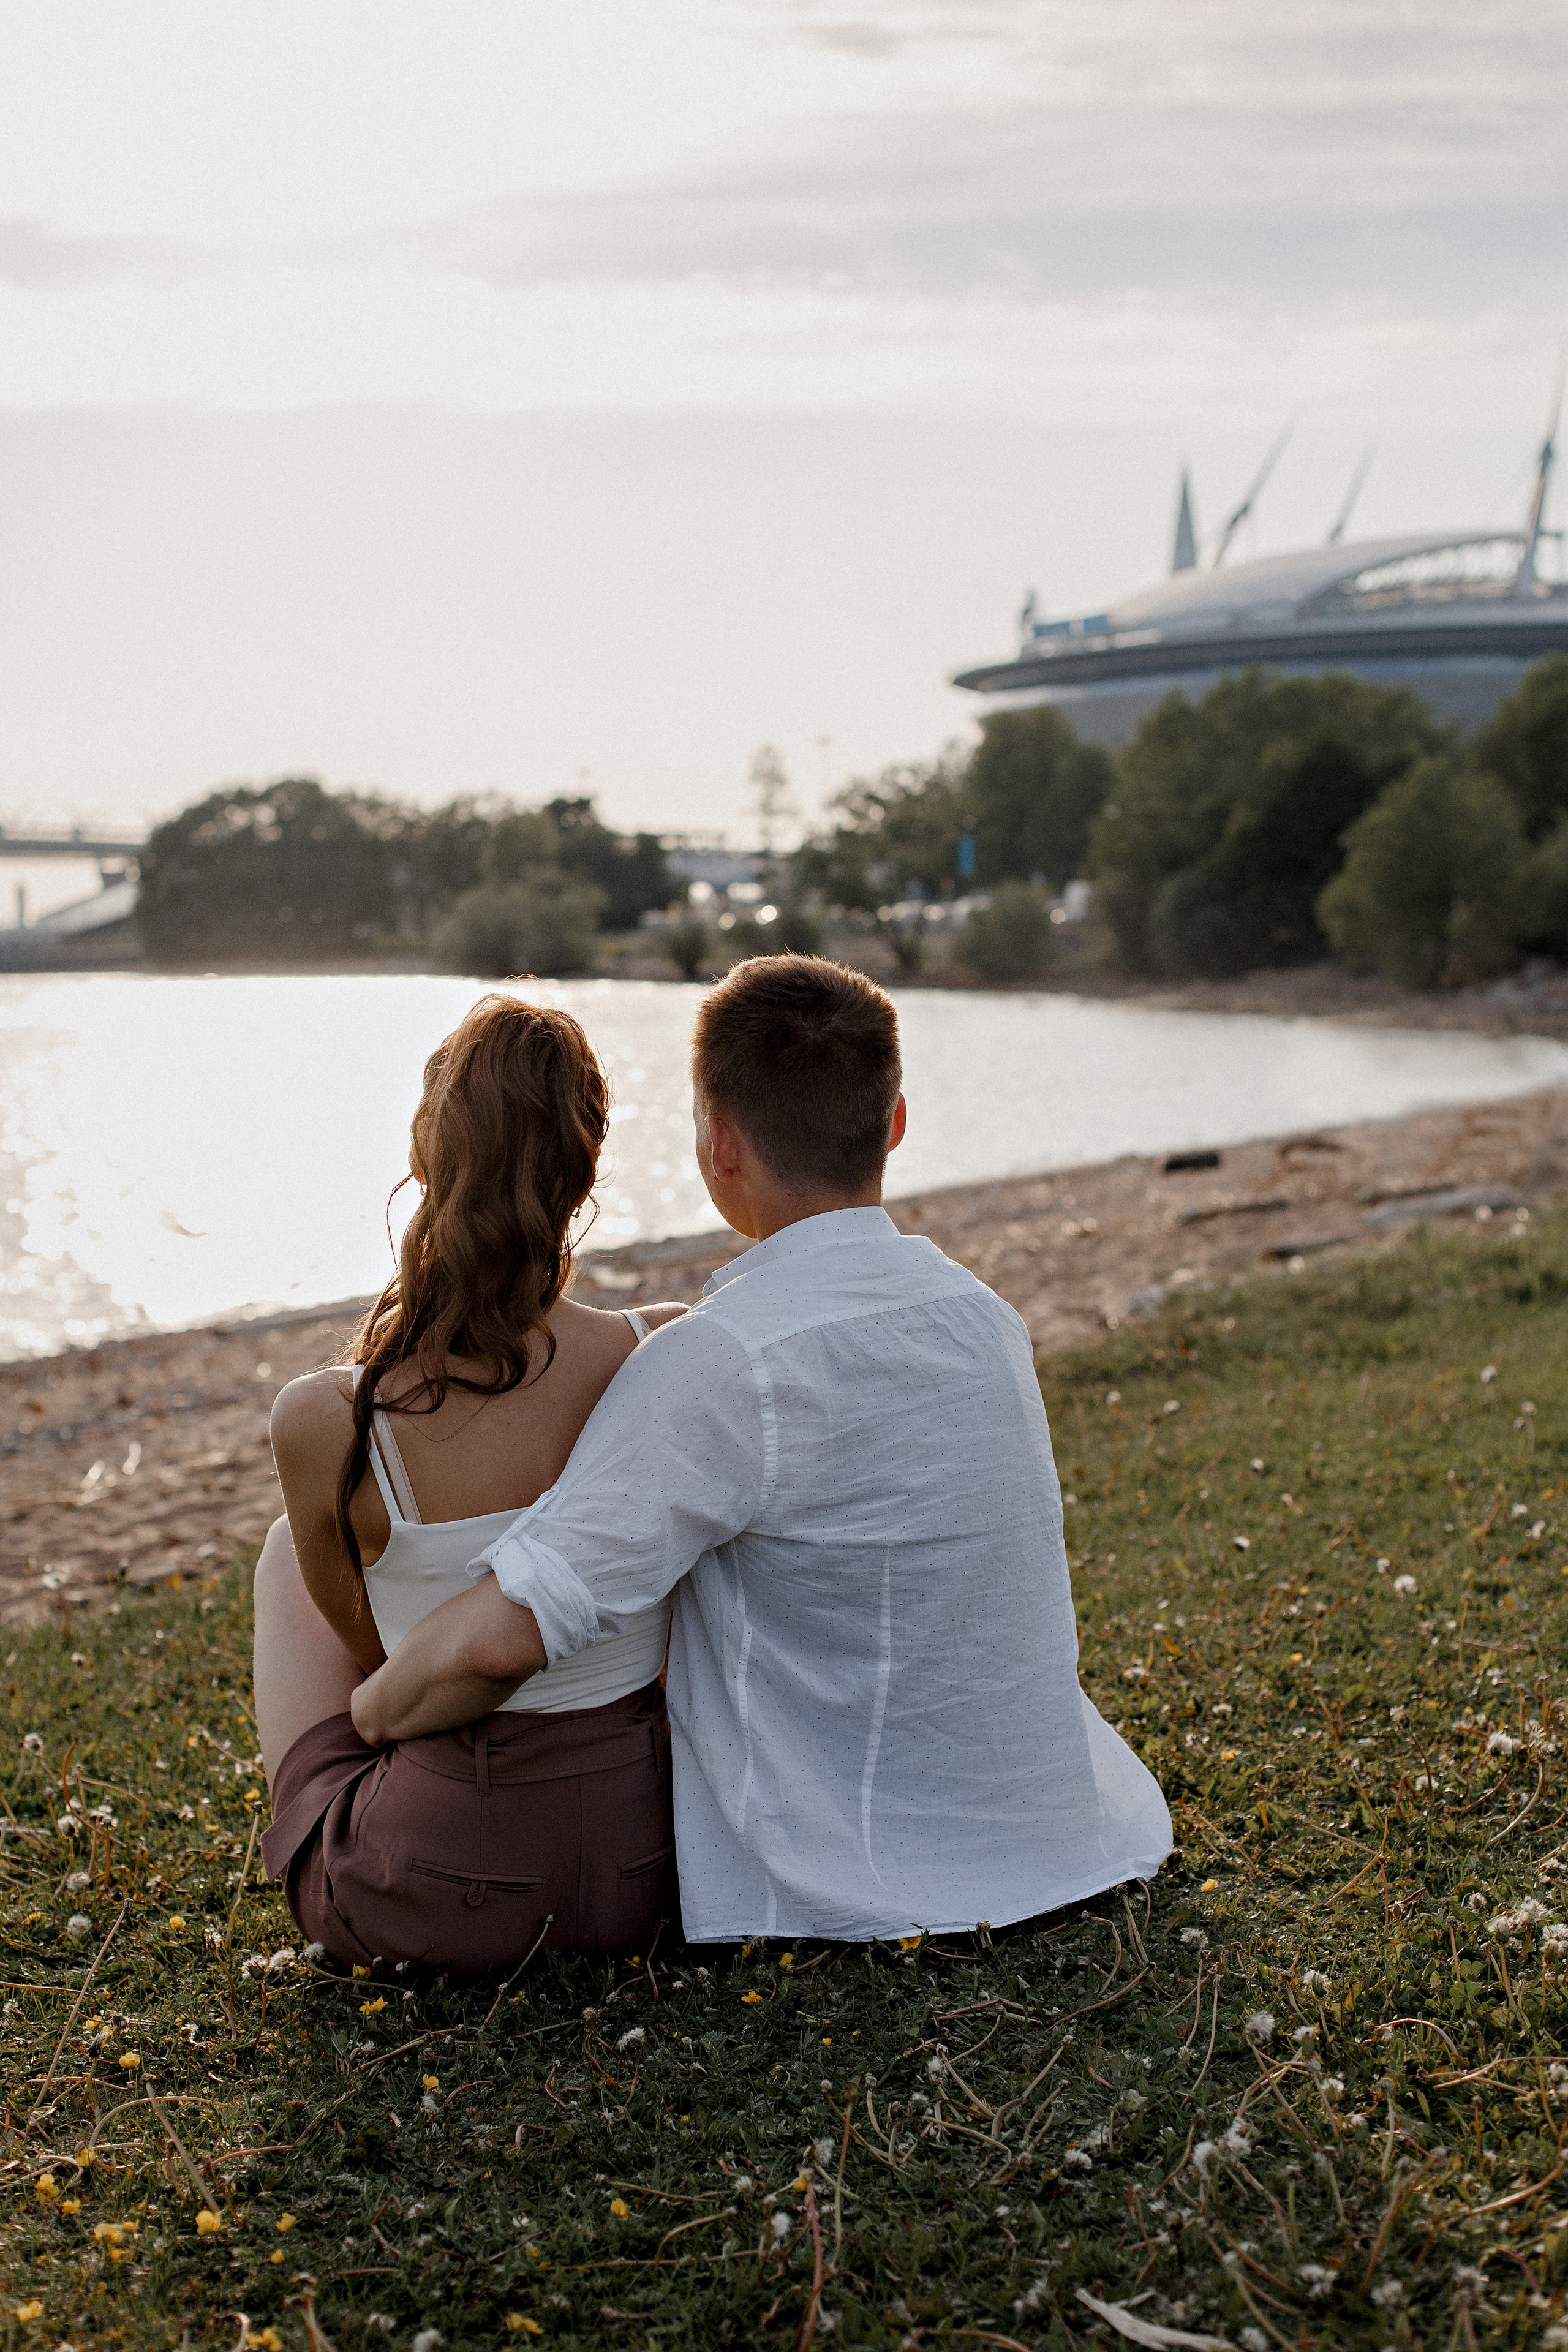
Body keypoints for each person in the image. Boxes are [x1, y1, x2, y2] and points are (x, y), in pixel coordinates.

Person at [353, 956, 1171, 1943]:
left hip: (867, 1891)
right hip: (1074, 1840)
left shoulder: (726, 1359)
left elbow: (497, 1640)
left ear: (719, 1145)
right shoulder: (984, 1318)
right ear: (894, 1123)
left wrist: (367, 1718)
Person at [254, 994, 687, 1969]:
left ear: (424, 1163)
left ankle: (332, 1833)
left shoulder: (327, 1419)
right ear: (585, 1172)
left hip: (437, 1890)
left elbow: (376, 1651)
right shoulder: (664, 1349)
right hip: (649, 1870)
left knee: (288, 1549)